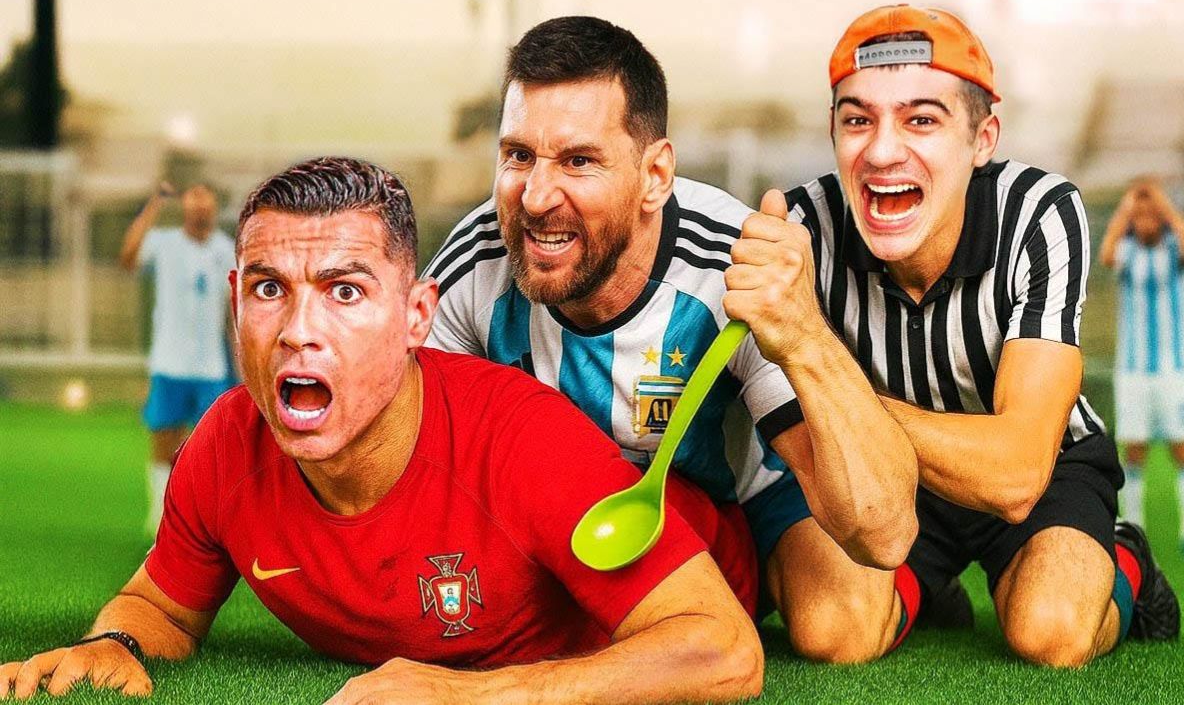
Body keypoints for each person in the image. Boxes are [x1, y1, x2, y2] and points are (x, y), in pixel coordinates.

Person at [1, 157, 763, 703]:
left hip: (728, 561)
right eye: (268, 289)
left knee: (827, 618)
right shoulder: (227, 445)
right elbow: (161, 606)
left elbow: (723, 649)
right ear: (235, 304)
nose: (298, 331)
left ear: (416, 316)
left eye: (344, 292)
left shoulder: (522, 441)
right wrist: (114, 644)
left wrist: (468, 695)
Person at [425, 16, 921, 663]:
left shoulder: (731, 264)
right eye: (518, 155)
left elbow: (883, 535)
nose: (537, 197)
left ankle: (918, 586)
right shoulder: (473, 267)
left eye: (578, 161)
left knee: (841, 629)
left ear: (655, 175)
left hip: (742, 494)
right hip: (566, 506)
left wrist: (802, 332)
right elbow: (422, 470)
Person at [730, 5, 1181, 667]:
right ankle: (922, 591)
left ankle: (1126, 560)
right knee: (833, 632)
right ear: (833, 132)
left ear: (982, 138)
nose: (881, 151)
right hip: (882, 476)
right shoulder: (801, 229)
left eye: (921, 120)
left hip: (1041, 465)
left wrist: (831, 382)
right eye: (857, 120)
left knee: (1053, 633)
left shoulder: (1039, 213)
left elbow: (1017, 472)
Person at [1099, 176, 1184, 557]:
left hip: (1174, 372)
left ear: (1162, 215)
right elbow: (1106, 254)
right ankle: (1135, 534)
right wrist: (1125, 207)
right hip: (1133, 373)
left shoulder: (1176, 248)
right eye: (1139, 214)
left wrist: (1164, 206)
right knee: (1133, 453)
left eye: (1152, 213)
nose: (1145, 220)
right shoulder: (1128, 252)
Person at [118, 181, 236, 532]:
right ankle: (159, 514)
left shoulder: (227, 251)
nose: (200, 204)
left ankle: (204, 522)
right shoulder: (163, 243)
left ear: (214, 206)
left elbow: (234, 310)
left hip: (211, 367)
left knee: (214, 448)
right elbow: (128, 259)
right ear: (184, 204)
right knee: (163, 439)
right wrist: (153, 206)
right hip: (169, 362)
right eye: (194, 196)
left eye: (206, 197)